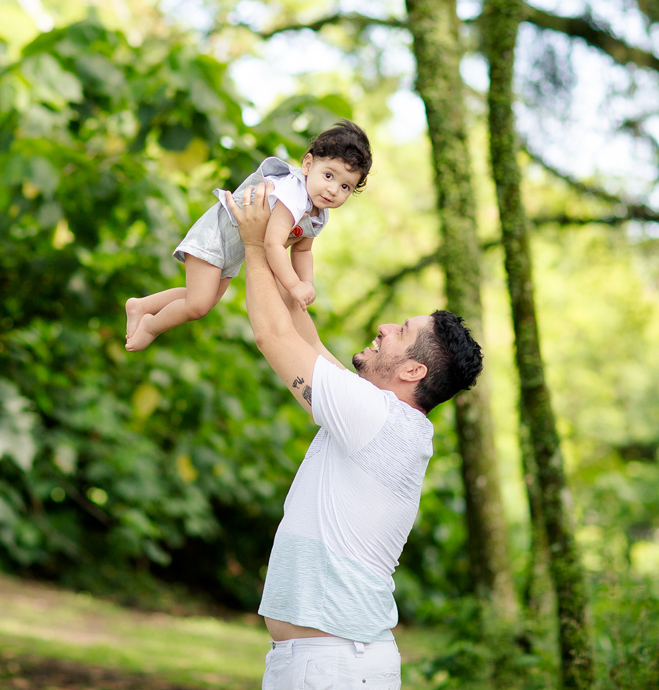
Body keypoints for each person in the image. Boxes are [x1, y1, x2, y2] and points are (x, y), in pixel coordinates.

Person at [223, 181, 484, 690]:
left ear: (411, 372)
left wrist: (255, 245)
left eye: (401, 331)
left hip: (332, 665)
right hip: (326, 659)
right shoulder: (386, 418)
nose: (385, 327)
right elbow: (305, 336)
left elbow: (272, 336)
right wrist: (293, 249)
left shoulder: (374, 417)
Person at [125, 120, 373, 351]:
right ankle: (150, 326)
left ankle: (142, 305)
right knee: (198, 305)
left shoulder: (318, 213)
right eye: (328, 176)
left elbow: (302, 250)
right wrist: (294, 285)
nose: (333, 189)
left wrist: (306, 282)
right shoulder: (293, 194)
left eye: (345, 187)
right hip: (216, 236)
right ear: (308, 165)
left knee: (204, 300)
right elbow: (273, 244)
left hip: (234, 250)